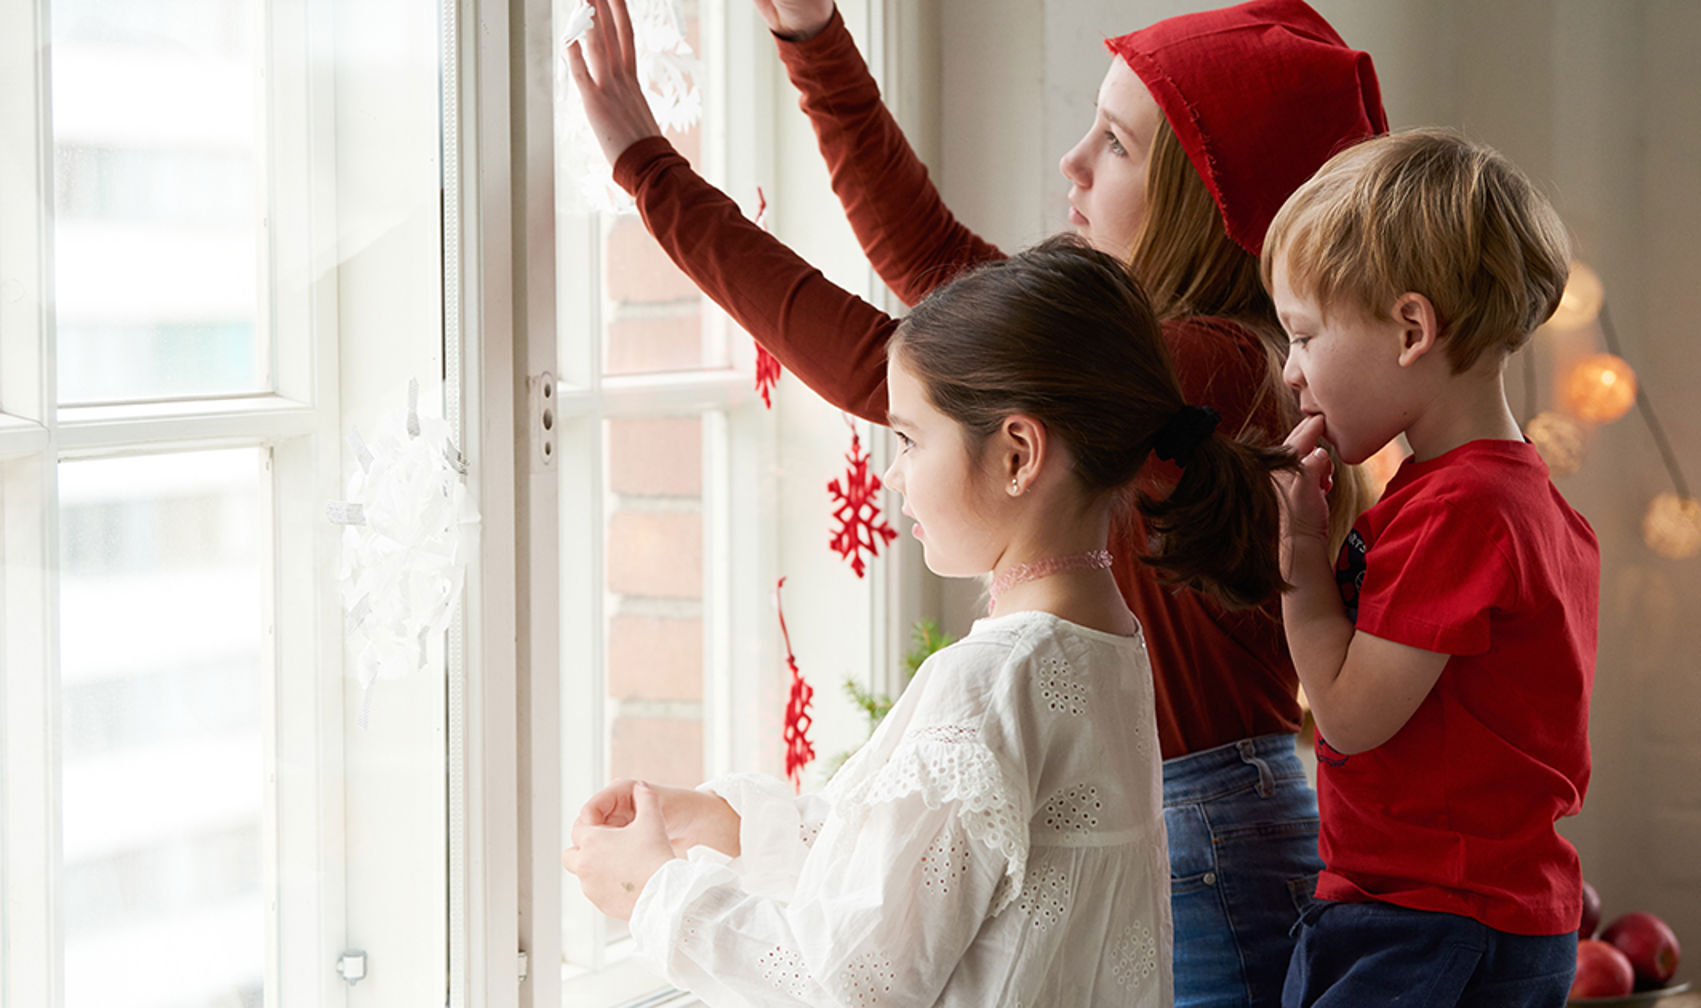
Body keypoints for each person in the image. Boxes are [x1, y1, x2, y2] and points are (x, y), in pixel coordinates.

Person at [566, 1, 1387, 1000]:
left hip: (1208, 845)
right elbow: (936, 272)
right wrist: (815, 36)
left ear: (1214, 198)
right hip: (1206, 825)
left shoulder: (1211, 367)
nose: (1072, 164)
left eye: (1117, 144)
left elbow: (909, 361)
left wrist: (650, 169)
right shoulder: (1159, 376)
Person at [563, 236, 1301, 1007]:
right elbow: (928, 864)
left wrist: (654, 893)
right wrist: (727, 824)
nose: (891, 473)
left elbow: (850, 980)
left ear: (1018, 454)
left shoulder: (991, 683)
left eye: (911, 439)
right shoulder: (1106, 642)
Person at [1263, 127, 1599, 1007]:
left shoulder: (1462, 513)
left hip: (1431, 924)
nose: (1292, 373)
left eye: (1301, 336)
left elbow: (1348, 717)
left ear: (1411, 328)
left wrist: (1299, 558)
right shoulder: (1509, 500)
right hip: (1462, 916)